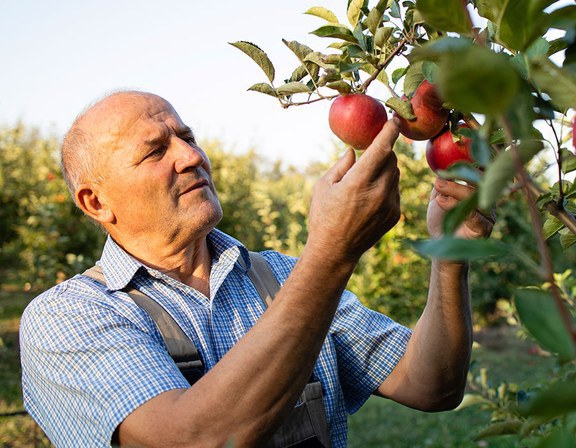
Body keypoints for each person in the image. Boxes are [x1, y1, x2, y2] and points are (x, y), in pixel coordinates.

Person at [19, 90, 494, 447]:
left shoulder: (282, 277)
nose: (191, 157)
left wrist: (449, 254)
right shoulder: (66, 318)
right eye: (154, 151)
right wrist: (332, 253)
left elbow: (431, 384)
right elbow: (194, 440)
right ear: (96, 201)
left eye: (187, 138)